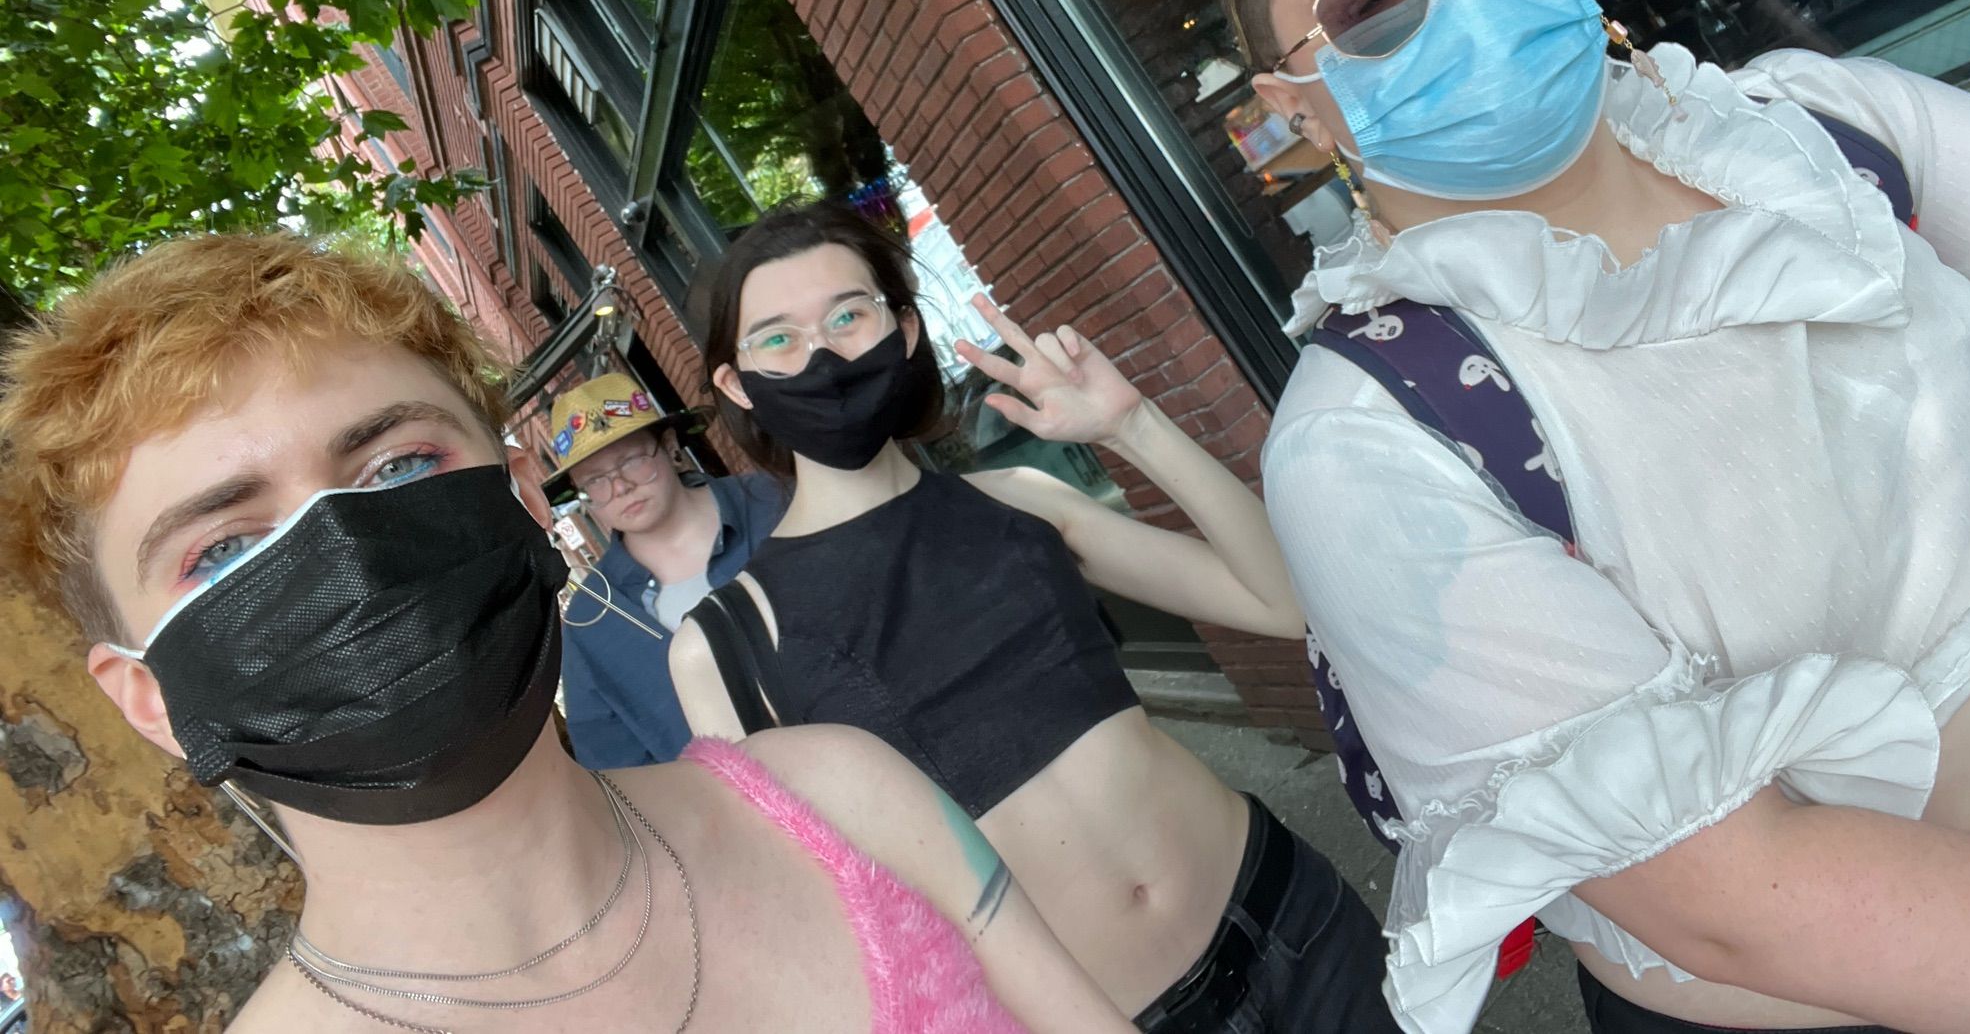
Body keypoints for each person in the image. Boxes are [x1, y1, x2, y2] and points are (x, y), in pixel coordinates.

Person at [1196, 0, 1970, 1034]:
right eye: (1370, 0)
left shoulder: (1816, 128)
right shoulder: (1367, 441)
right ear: (1298, 105)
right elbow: (1732, 897)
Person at [0, 232, 1137, 1034]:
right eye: (225, 552)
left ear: (526, 502)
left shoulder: (843, 792)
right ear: (147, 698)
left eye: (397, 466)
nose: (348, 558)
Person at [667, 201, 1397, 1034]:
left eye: (847, 315)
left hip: (1291, 917)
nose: (822, 355)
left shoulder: (1020, 500)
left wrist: (1135, 426)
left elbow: (1282, 602)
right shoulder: (722, 649)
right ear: (735, 382)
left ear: (903, 328)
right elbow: (812, 927)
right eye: (777, 338)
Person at [546, 371, 785, 767]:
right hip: (744, 819)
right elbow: (619, 770)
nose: (620, 486)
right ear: (581, 495)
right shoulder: (595, 620)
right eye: (596, 481)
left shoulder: (771, 504)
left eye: (632, 461)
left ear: (671, 446)